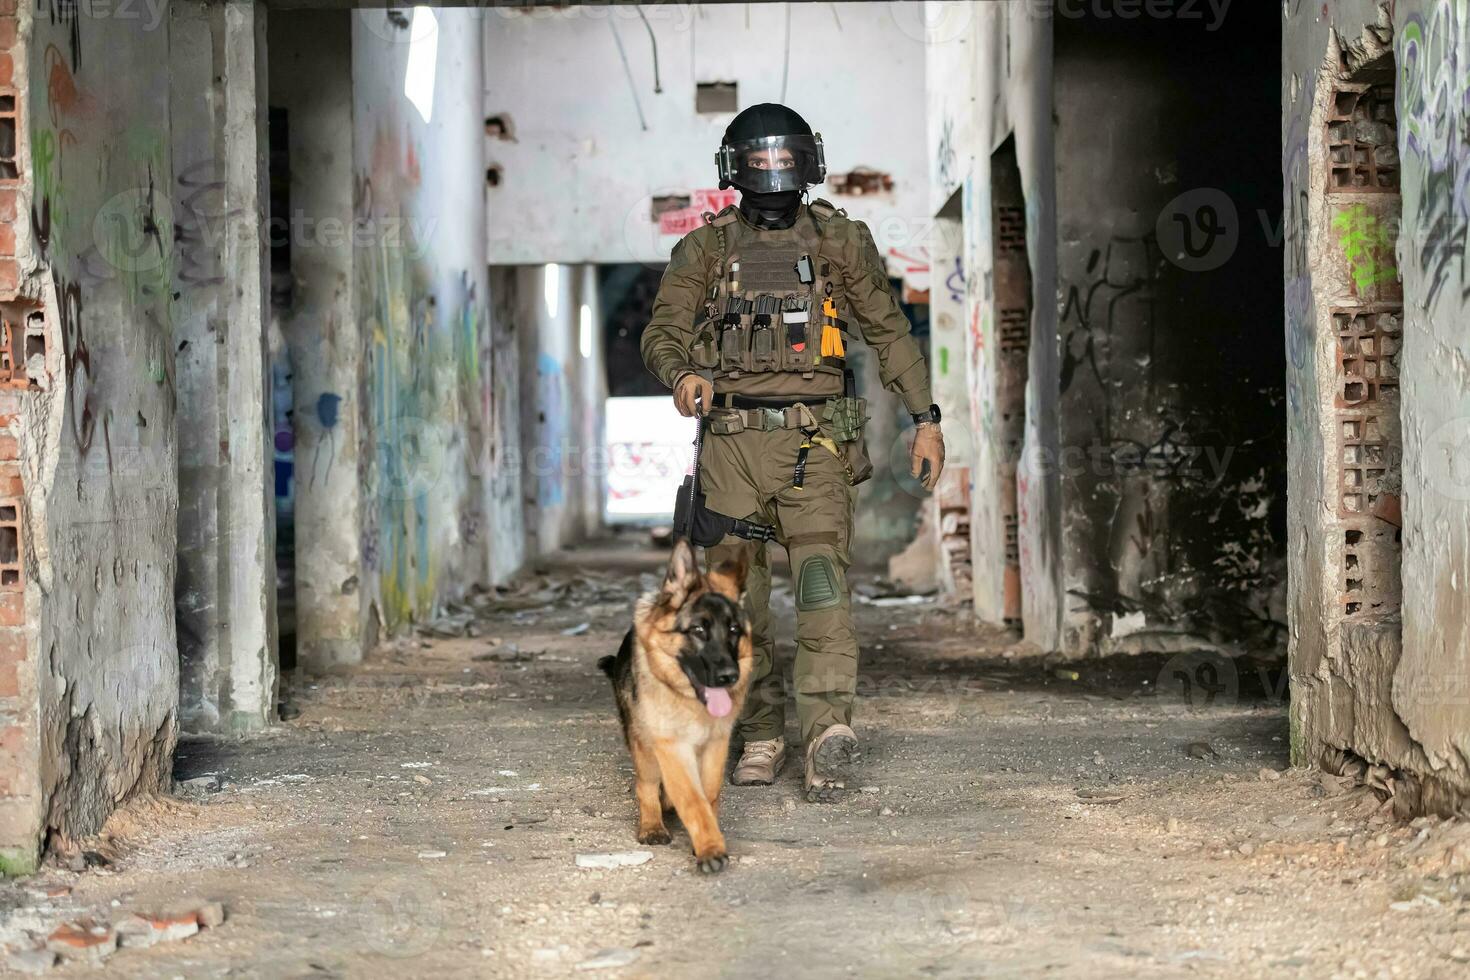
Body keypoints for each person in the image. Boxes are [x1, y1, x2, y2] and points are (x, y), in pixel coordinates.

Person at [640, 103, 945, 802]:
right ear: (738, 173)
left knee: (823, 597)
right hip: (731, 455)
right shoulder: (706, 249)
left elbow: (890, 332)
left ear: (805, 166)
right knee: (736, 607)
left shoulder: (841, 242)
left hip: (815, 451)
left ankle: (826, 732)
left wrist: (925, 418)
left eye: (784, 164)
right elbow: (663, 331)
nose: (774, 178)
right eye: (763, 165)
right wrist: (682, 374)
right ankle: (764, 730)